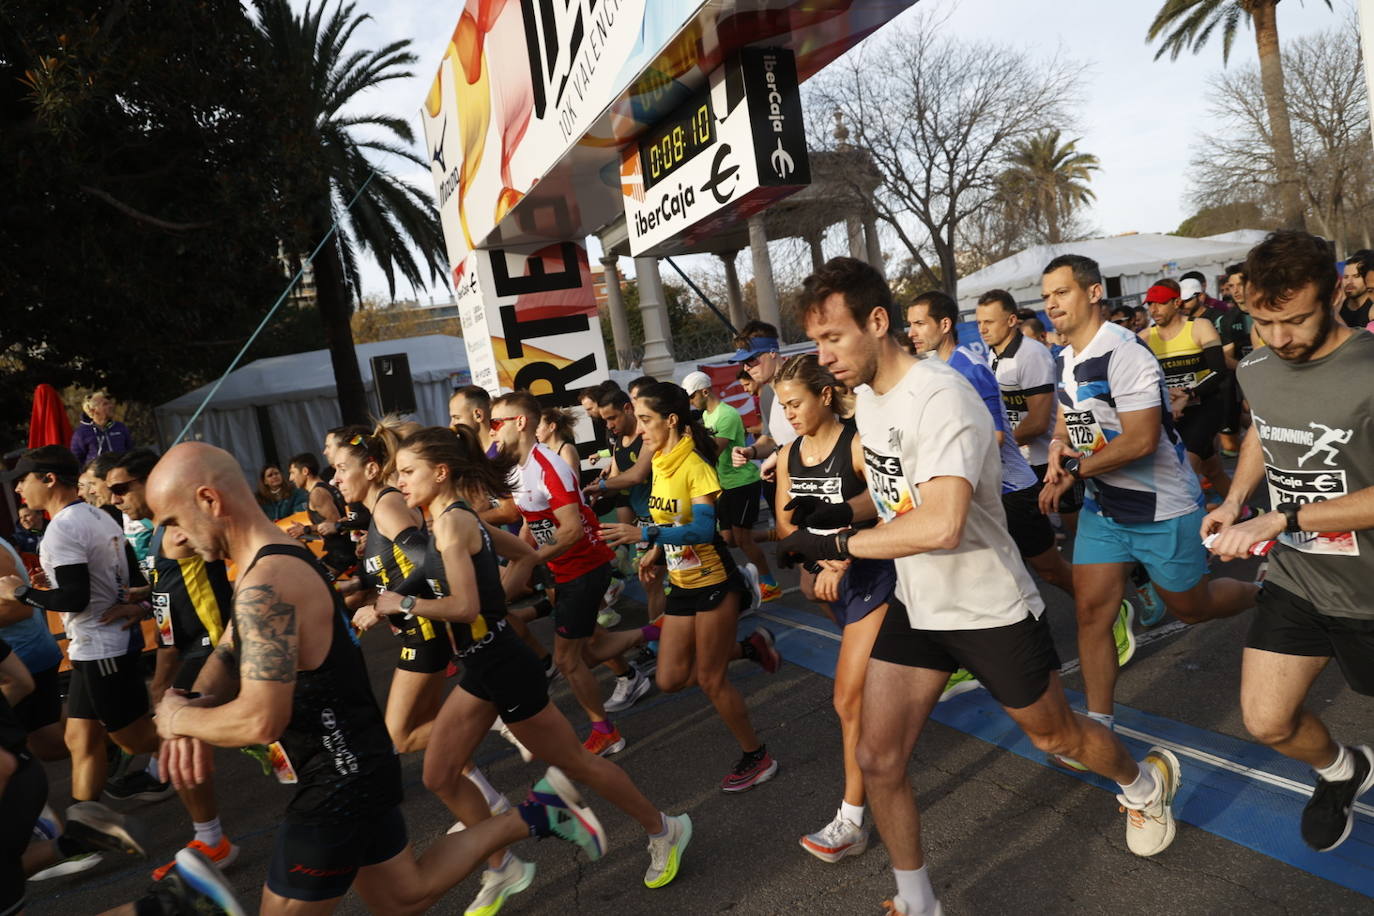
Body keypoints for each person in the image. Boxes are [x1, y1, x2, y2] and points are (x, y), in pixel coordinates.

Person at [779, 257, 1185, 915]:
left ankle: (1143, 784)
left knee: (1058, 738)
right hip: (918, 602)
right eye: (816, 342)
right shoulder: (874, 402)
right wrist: (844, 512)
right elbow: (902, 498)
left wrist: (840, 544)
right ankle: (919, 902)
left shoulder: (940, 396)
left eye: (833, 338)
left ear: (877, 322)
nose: (823, 358)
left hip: (987, 605)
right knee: (879, 759)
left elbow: (941, 523)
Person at [143, 441, 609, 914]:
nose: (173, 539)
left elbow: (261, 719)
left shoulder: (269, 580)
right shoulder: (266, 560)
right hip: (357, 763)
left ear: (209, 500)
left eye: (173, 522)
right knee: (404, 897)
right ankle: (536, 813)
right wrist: (194, 698)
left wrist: (178, 719)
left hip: (336, 783)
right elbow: (227, 647)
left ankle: (184, 907)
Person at [388, 426, 692, 908]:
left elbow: (465, 606)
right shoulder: (453, 515)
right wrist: (495, 595)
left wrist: (403, 606)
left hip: (502, 666)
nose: (400, 482)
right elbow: (525, 553)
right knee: (439, 774)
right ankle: (501, 863)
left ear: (440, 472)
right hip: (483, 664)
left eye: (408, 472)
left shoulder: (450, 522)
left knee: (576, 763)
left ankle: (664, 828)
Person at [1037, 254, 1257, 740]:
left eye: (1062, 291)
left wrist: (1075, 469)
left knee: (1192, 608)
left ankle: (1266, 592)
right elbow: (1065, 417)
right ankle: (1099, 727)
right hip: (1106, 509)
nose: (1051, 303)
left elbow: (1140, 441)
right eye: (1046, 294)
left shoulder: (1124, 352)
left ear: (1094, 293)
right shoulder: (1066, 357)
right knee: (1093, 613)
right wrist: (1058, 450)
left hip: (1163, 509)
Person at [1204, 229, 1374, 853]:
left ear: (1335, 293)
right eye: (1264, 322)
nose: (1280, 340)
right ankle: (1342, 770)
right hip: (1298, 579)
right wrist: (1233, 501)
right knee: (1267, 720)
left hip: (1369, 590)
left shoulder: (1369, 369)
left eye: (1295, 320)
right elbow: (1263, 433)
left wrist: (1286, 517)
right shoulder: (1256, 365)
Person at [599, 382, 782, 793]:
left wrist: (646, 535)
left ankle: (758, 756)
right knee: (669, 677)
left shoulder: (694, 465)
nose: (640, 429)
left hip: (715, 581)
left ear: (671, 420)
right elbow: (676, 524)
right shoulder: (663, 461)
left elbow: (702, 527)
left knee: (712, 679)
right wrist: (658, 553)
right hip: (681, 583)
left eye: (645, 420)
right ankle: (749, 647)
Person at [0, 447, 177, 821]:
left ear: (48, 479)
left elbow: (75, 599)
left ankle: (199, 744)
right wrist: (57, 585)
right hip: (95, 645)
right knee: (79, 739)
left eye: (23, 480)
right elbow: (126, 577)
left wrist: (19, 592)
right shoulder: (96, 515)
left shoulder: (62, 528)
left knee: (133, 738)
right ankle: (84, 831)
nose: (18, 490)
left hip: (102, 650)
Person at [772, 354, 892, 862]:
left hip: (877, 575)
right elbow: (785, 527)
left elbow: (891, 504)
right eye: (782, 406)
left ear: (824, 395)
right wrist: (812, 560)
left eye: (795, 403)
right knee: (865, 697)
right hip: (832, 585)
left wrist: (842, 553)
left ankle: (852, 821)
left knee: (848, 701)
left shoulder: (859, 443)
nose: (790, 414)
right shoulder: (788, 455)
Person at [491, 391, 649, 756]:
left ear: (520, 422)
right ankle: (651, 649)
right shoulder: (517, 465)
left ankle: (605, 731)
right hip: (561, 566)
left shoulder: (550, 466)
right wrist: (520, 557)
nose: (492, 431)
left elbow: (572, 530)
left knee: (567, 659)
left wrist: (531, 559)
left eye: (497, 422)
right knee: (589, 643)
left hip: (584, 565)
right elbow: (529, 518)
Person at [106, 451, 239, 878]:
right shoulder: (162, 532)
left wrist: (163, 678)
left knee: (176, 728)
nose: (116, 497)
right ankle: (210, 835)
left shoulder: (183, 528)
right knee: (267, 730)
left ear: (151, 480)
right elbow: (172, 594)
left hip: (215, 647)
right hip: (195, 647)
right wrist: (142, 601)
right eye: (110, 490)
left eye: (122, 487)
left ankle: (213, 841)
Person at [908, 292, 1075, 603]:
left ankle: (1105, 607)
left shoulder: (970, 368)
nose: (911, 333)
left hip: (1013, 490)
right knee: (997, 578)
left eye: (919, 324)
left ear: (944, 324)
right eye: (909, 325)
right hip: (979, 490)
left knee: (1050, 570)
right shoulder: (932, 370)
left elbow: (996, 436)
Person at [331, 426, 450, 754]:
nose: (334, 480)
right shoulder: (379, 507)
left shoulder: (387, 505)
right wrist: (353, 584)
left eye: (342, 469)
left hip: (422, 631)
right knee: (430, 731)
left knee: (399, 736)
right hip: (417, 629)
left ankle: (489, 716)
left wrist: (381, 607)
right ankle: (491, 799)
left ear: (370, 469)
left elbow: (429, 562)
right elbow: (396, 567)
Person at [975, 289, 1084, 536]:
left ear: (1012, 321)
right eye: (979, 322)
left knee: (1076, 533)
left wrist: (991, 447)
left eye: (989, 322)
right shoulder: (991, 355)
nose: (982, 329)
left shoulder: (1032, 354)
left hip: (1047, 460)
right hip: (1018, 461)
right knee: (1037, 539)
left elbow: (1038, 423)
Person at [683, 371, 778, 601]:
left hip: (742, 483)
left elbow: (712, 452)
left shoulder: (727, 414)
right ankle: (773, 534)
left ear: (705, 391)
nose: (691, 402)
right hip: (723, 485)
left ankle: (769, 583)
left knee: (743, 539)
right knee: (728, 539)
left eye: (692, 396)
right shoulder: (706, 415)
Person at [1141, 281, 1233, 501]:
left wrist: (1188, 394)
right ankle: (1244, 511)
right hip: (1173, 412)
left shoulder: (1199, 326)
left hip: (1205, 406)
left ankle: (1196, 524)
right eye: (1150, 304)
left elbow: (1219, 371)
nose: (1154, 310)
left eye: (1160, 303)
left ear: (1176, 302)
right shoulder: (1144, 337)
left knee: (1185, 470)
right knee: (1212, 469)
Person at [0, 534, 66, 763]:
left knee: (49, 746)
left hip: (24, 660)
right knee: (47, 742)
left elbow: (21, 610)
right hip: (15, 661)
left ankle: (119, 738)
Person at [284, 452, 354, 575]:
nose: (290, 478)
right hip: (340, 554)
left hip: (340, 558)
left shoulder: (317, 493)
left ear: (305, 471)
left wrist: (306, 529)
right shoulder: (324, 487)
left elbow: (335, 523)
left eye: (293, 473)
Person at [1217, 262, 1256, 457]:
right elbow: (1226, 359)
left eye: (1241, 284)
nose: (1236, 290)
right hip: (1246, 381)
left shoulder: (1269, 310)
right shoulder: (1228, 320)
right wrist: (1251, 370)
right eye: (1231, 286)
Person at [71, 390, 134, 466]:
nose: (111, 406)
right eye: (105, 404)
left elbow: (131, 452)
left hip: (120, 473)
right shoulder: (81, 433)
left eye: (109, 403)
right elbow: (77, 459)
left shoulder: (120, 427)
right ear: (93, 410)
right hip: (96, 475)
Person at [537, 407, 583, 473]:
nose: (535, 431)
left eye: (538, 427)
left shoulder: (566, 450)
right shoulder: (547, 452)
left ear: (552, 427)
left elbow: (572, 481)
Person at [1338, 249, 1373, 328]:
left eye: (1356, 276)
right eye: (1346, 277)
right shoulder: (1338, 305)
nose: (1349, 282)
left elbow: (1366, 339)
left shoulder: (1372, 310)